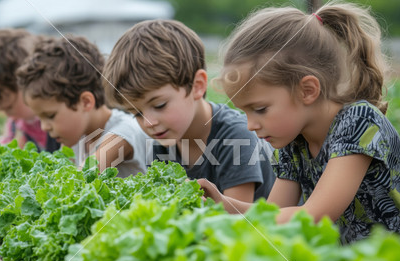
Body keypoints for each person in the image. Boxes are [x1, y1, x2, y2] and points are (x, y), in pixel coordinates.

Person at [198, 3, 400, 244]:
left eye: (260, 109)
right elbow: (273, 213)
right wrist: (224, 205)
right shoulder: (293, 141)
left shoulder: (358, 122)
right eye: (244, 112)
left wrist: (223, 222)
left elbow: (314, 215)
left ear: (307, 90)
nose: (251, 125)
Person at [103, 19, 275, 203]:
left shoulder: (236, 136)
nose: (149, 122)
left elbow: (235, 224)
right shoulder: (160, 147)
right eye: (137, 113)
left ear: (198, 85)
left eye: (159, 105)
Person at [16, 35, 148, 177]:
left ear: (85, 102)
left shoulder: (121, 134)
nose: (44, 127)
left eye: (50, 116)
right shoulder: (75, 137)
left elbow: (82, 177)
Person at [0, 29, 60, 152]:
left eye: (9, 107)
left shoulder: (62, 118)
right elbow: (6, 148)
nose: (9, 116)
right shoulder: (17, 126)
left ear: (29, 82)